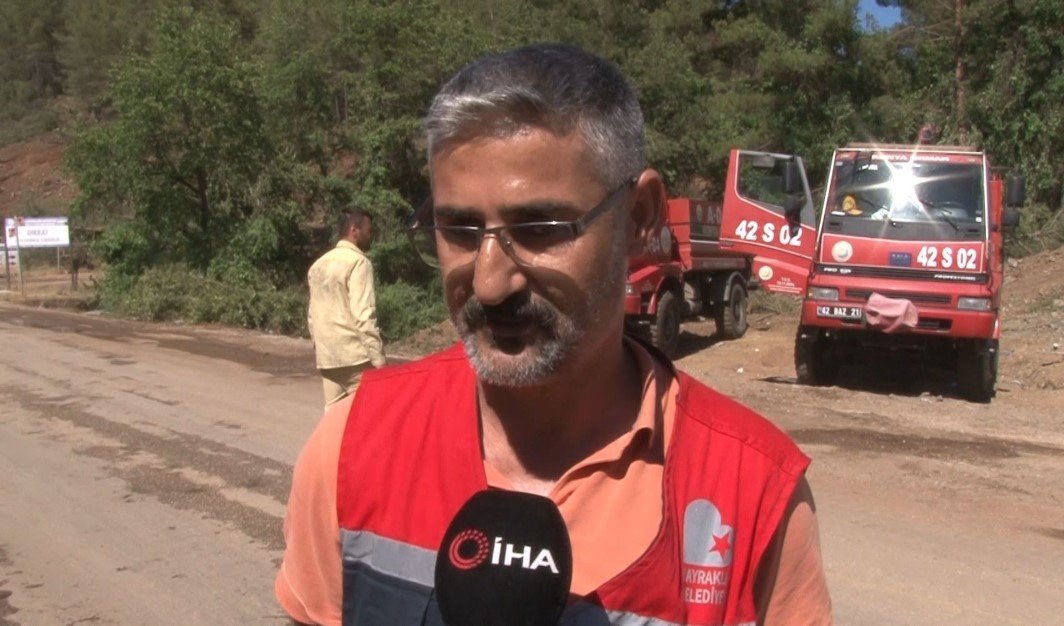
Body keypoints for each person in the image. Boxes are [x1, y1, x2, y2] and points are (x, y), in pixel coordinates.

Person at [276, 43, 833, 625]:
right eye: (459, 229)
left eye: (540, 229)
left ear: (640, 217)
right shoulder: (352, 444)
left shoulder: (754, 495)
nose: (490, 283)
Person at [306, 206, 386, 407]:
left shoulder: (318, 265)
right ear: (354, 230)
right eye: (368, 231)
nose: (371, 236)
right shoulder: (359, 263)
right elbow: (364, 316)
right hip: (355, 358)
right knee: (373, 414)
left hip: (327, 359)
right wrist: (379, 361)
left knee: (334, 417)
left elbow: (312, 316)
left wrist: (319, 347)